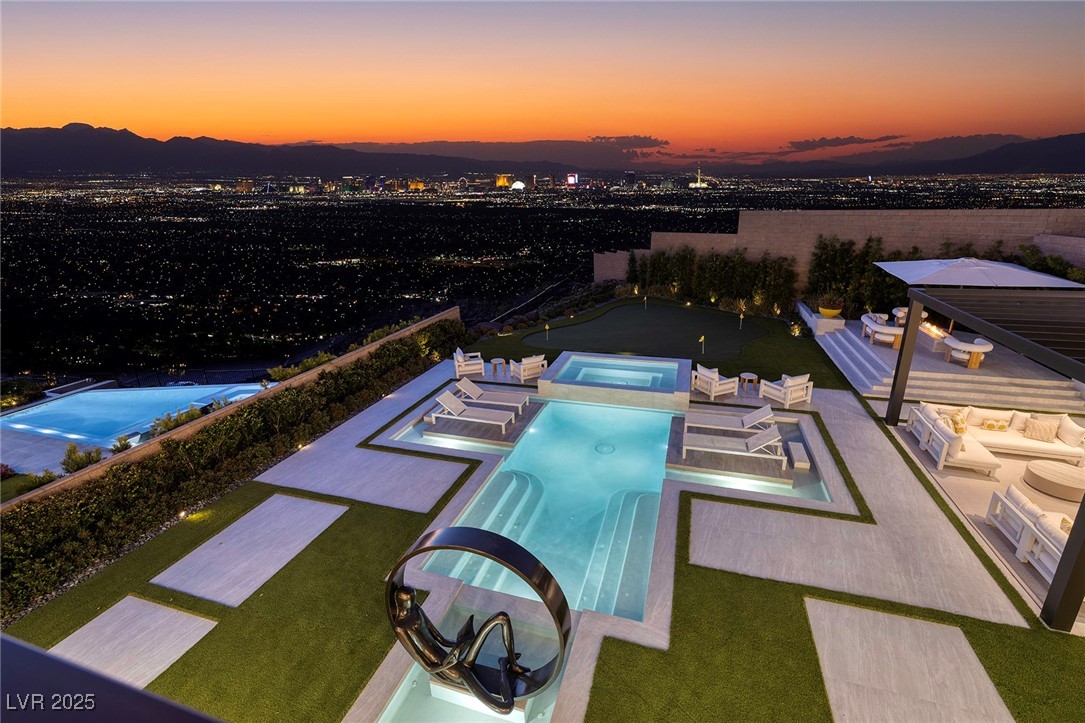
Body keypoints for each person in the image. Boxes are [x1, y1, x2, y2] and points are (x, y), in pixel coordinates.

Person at [390, 585, 530, 714]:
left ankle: (514, 664)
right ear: (401, 602)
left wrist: (460, 643)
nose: (413, 603)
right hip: (452, 670)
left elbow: (440, 639)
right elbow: (427, 666)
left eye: (413, 599)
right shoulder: (400, 627)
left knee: (502, 617)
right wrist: (448, 663)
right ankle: (503, 665)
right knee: (505, 708)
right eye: (409, 601)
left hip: (455, 658)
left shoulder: (416, 609)